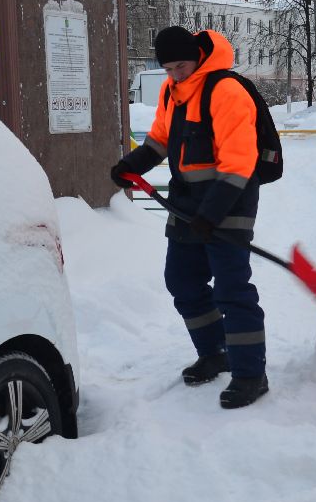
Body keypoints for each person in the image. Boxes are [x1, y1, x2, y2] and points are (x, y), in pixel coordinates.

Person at [111, 26, 268, 409]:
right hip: (186, 205)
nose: (175, 75)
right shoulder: (172, 91)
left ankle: (251, 374)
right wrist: (131, 164)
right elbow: (160, 139)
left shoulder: (226, 90)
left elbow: (239, 161)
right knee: (182, 280)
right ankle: (215, 352)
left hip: (229, 203)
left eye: (180, 66)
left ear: (197, 56)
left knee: (233, 289)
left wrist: (211, 214)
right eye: (168, 69)